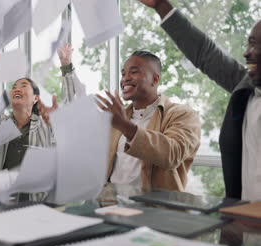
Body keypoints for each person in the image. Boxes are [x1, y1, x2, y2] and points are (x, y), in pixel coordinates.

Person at [139, 0, 261, 200]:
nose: (247, 52)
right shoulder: (245, 86)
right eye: (248, 43)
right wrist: (161, 6)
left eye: (255, 44)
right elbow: (206, 53)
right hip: (246, 220)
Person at [0, 44, 83, 174]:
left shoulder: (46, 125)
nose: (16, 89)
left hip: (35, 193)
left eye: (23, 85)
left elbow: (71, 108)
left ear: (35, 98)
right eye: (14, 87)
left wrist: (66, 66)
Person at [95, 50, 201, 193]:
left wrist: (126, 127)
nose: (125, 79)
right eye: (123, 74)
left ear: (155, 79)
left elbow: (172, 154)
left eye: (134, 72)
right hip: (112, 205)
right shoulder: (118, 118)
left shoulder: (182, 114)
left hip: (154, 209)